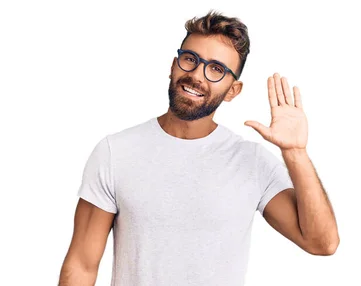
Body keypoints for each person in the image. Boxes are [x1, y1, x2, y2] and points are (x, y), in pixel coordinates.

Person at [58, 10, 339, 286]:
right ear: (173, 65)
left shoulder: (252, 162)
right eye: (190, 59)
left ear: (233, 90)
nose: (197, 75)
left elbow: (321, 243)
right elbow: (81, 265)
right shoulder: (116, 152)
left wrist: (295, 153)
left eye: (217, 69)